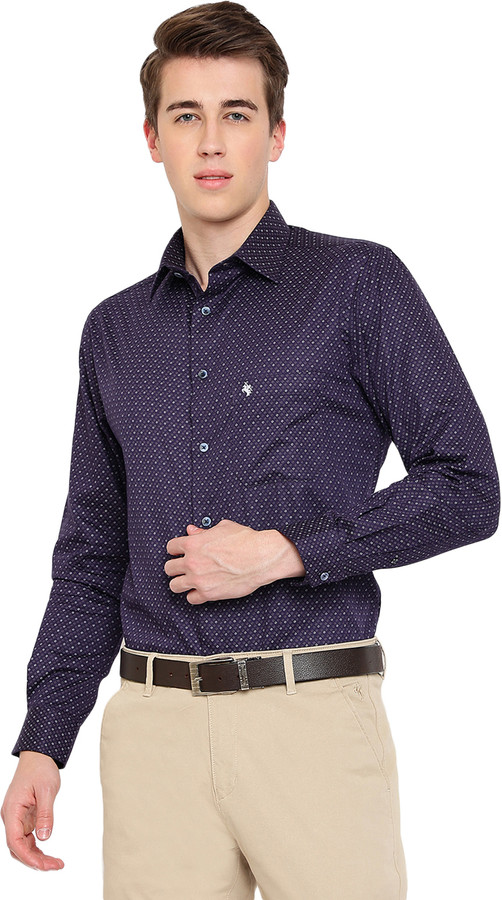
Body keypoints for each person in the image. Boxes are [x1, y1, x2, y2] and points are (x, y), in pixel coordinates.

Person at [1, 2, 499, 898]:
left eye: (236, 113)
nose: (211, 141)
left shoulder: (357, 283)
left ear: (276, 134)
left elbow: (468, 485)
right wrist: (45, 737)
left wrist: (289, 551)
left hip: (311, 722)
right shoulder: (114, 330)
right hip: (152, 737)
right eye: (186, 115)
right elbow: (91, 553)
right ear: (152, 138)